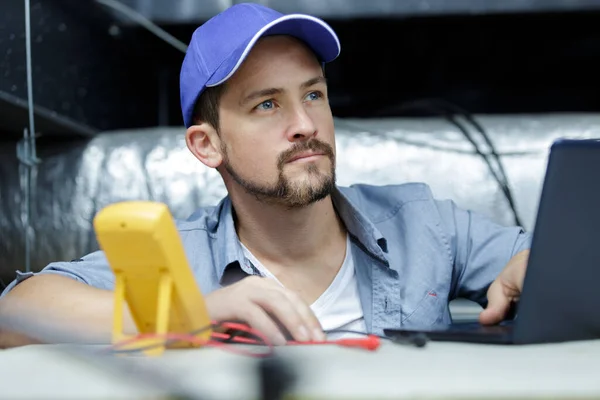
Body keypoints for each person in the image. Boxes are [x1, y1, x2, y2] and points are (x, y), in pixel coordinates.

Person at [0, 2, 531, 347]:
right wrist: (187, 315)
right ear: (207, 146)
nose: (304, 124)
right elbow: (15, 313)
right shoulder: (181, 261)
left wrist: (535, 268)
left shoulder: (423, 223)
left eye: (313, 94)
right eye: (267, 105)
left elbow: (545, 262)